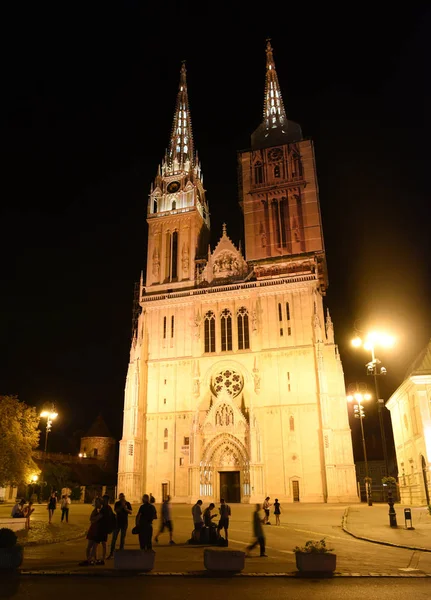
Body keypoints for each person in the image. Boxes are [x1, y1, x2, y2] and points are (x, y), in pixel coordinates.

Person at [79, 497, 103, 566]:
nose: (96, 504)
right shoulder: (96, 510)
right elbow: (92, 519)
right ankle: (90, 559)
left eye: (97, 502)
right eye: (96, 502)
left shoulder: (100, 510)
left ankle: (90, 559)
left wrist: (95, 519)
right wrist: (97, 518)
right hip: (93, 529)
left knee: (94, 547)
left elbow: (94, 519)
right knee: (90, 546)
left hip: (97, 529)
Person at [107, 493, 132, 559]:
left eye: (122, 497)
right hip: (117, 523)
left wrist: (125, 508)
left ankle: (121, 553)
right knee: (114, 539)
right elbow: (116, 511)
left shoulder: (128, 503)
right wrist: (122, 506)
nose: (121, 498)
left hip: (124, 523)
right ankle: (111, 553)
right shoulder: (117, 503)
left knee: (122, 539)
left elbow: (130, 512)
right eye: (120, 497)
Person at [94, 494, 115, 565]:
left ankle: (95, 559)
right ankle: (103, 557)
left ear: (105, 500)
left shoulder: (104, 508)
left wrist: (93, 519)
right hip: (106, 528)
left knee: (96, 544)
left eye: (103, 499)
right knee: (104, 543)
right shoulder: (109, 508)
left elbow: (99, 517)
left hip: (101, 528)